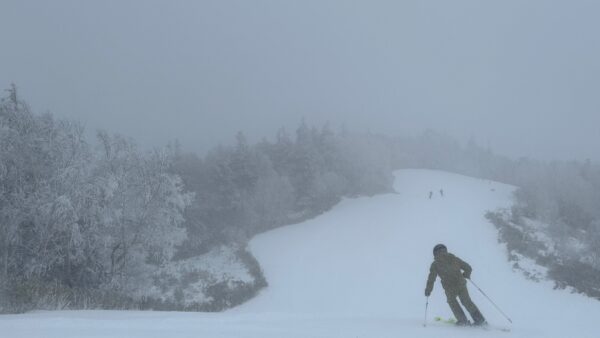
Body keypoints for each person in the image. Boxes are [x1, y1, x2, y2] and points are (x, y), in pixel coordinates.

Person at [424, 244, 486, 326]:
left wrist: (428, 290)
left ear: (435, 253)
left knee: (452, 302)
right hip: (461, 284)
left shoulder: (435, 264)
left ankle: (463, 321)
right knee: (467, 301)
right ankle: (480, 320)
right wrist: (466, 275)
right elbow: (468, 267)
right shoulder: (454, 258)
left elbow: (431, 279)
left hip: (450, 287)